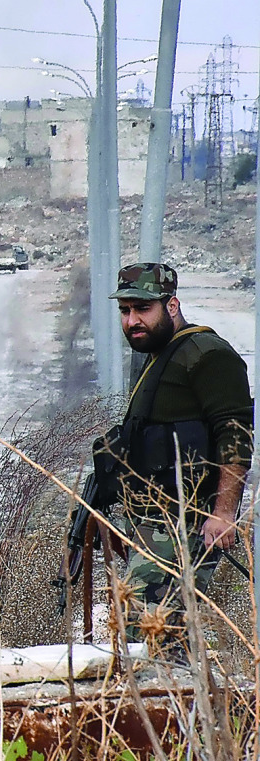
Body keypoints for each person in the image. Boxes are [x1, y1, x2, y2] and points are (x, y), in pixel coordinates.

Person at [106, 262, 252, 648]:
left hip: (187, 522)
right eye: (125, 311)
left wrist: (223, 513)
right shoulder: (161, 355)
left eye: (143, 309)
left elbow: (234, 434)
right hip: (154, 522)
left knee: (144, 633)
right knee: (159, 638)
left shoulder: (206, 353)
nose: (132, 320)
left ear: (172, 306)